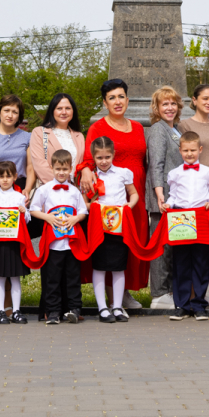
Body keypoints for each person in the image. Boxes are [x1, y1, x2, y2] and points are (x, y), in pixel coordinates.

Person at [81, 79, 149, 299]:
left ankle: (125, 291)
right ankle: (113, 295)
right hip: (111, 195)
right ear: (105, 102)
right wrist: (85, 171)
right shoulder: (98, 127)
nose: (117, 102)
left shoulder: (138, 127)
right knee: (112, 241)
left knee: (132, 240)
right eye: (112, 98)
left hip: (135, 192)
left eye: (121, 96)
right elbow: (89, 161)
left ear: (127, 100)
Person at [163, 130, 209, 322]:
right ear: (180, 150)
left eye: (193, 150)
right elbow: (173, 195)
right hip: (181, 220)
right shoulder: (174, 174)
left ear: (200, 150)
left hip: (201, 219)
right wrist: (168, 204)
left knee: (200, 262)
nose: (189, 154)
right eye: (185, 150)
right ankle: (182, 305)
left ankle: (199, 304)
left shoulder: (208, 173)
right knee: (181, 263)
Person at [29, 149, 86, 325]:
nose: (61, 173)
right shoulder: (44, 189)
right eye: (58, 169)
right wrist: (48, 217)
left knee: (73, 278)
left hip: (71, 243)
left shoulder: (75, 191)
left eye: (65, 169)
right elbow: (33, 209)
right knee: (52, 278)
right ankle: (52, 311)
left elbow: (83, 210)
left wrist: (76, 218)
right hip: (53, 243)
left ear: (71, 169)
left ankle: (74, 309)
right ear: (52, 168)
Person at [87, 136, 139, 323]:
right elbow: (84, 202)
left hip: (119, 225)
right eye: (99, 158)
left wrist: (128, 207)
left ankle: (117, 306)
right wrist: (91, 205)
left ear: (113, 154)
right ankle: (102, 308)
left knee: (119, 266)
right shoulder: (90, 175)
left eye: (107, 157)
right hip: (98, 226)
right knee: (99, 266)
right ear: (93, 157)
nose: (103, 161)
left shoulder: (123, 173)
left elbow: (134, 194)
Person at [178, 84, 209, 266]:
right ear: (194, 100)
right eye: (205, 98)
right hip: (195, 187)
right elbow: (183, 155)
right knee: (196, 239)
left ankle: (203, 289)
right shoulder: (185, 125)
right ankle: (192, 292)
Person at [145, 86, 183, 310]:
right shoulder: (158, 129)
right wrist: (159, 193)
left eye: (173, 103)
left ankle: (170, 290)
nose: (169, 108)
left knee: (172, 245)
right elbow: (156, 164)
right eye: (164, 104)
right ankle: (159, 294)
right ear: (157, 108)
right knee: (162, 247)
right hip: (163, 198)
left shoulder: (174, 129)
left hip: (176, 199)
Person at [0, 161, 31, 324]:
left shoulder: (20, 197)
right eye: (1, 176)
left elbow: (26, 221)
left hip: (14, 243)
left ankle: (17, 311)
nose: (5, 179)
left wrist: (24, 212)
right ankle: (0, 311)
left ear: (15, 177)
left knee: (15, 278)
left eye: (8, 176)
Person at [0, 95, 33, 195]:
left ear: (19, 116)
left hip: (20, 189)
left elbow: (30, 168)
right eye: (6, 110)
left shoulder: (27, 137)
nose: (10, 115)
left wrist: (27, 190)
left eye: (15, 112)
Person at [29, 93, 86, 188]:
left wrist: (73, 189)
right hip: (51, 190)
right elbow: (40, 166)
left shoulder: (79, 136)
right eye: (59, 108)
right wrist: (63, 186)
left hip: (75, 192)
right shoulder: (39, 132)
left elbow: (81, 165)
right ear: (52, 111)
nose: (64, 112)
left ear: (73, 111)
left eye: (68, 108)